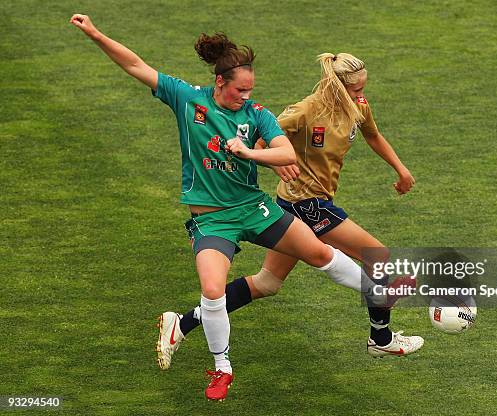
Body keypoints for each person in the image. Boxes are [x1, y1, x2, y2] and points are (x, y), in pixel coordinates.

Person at [70, 15, 418, 402]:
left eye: (250, 90)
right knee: (212, 288)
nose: (246, 97)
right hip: (212, 219)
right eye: (240, 90)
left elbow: (284, 149)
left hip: (255, 208)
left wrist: (251, 152)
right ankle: (222, 368)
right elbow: (136, 66)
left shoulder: (257, 115)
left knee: (317, 255)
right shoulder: (189, 99)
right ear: (220, 82)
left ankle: (380, 298)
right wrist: (96, 34)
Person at [158, 52, 424, 371]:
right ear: (337, 88)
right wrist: (278, 166)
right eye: (355, 90)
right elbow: (255, 139)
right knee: (377, 255)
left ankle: (182, 324)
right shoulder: (306, 110)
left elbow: (372, 135)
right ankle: (381, 339)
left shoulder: (358, 107)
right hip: (305, 202)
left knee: (267, 283)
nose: (361, 95)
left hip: (308, 202)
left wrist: (401, 170)